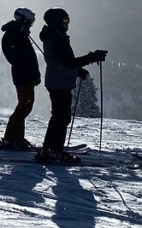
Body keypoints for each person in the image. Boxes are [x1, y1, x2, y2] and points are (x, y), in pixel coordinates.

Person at [37, 8, 107, 163]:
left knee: (58, 117)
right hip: (60, 82)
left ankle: (48, 149)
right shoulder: (57, 39)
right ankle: (55, 151)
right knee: (61, 117)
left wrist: (77, 70)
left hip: (57, 80)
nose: (67, 24)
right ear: (56, 22)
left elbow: (62, 62)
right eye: (65, 21)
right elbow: (68, 62)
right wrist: (92, 57)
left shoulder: (52, 37)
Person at [0, 7, 41, 150]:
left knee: (25, 106)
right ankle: (11, 139)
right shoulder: (13, 34)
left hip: (25, 75)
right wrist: (30, 72)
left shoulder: (18, 33)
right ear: (22, 20)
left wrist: (35, 75)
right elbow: (16, 57)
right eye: (30, 22)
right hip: (23, 75)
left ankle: (16, 138)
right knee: (24, 107)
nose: (31, 25)